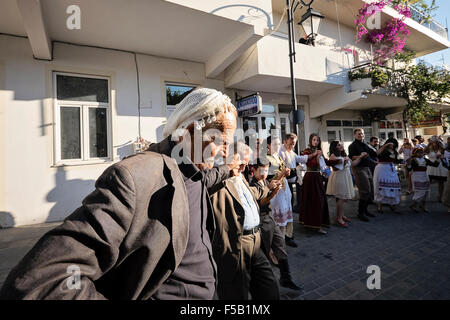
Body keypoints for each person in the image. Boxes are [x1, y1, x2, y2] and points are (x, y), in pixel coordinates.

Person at [0, 88, 243, 300]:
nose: (224, 151)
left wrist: (229, 170)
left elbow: (205, 179)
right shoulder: (138, 177)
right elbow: (42, 280)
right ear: (191, 131)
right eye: (219, 140)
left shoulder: (196, 171)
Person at [209, 141, 282, 300]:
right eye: (241, 163)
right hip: (237, 244)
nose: (244, 168)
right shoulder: (218, 177)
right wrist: (227, 168)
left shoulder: (240, 176)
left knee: (269, 289)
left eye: (246, 165)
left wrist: (268, 188)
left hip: (256, 241)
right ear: (231, 158)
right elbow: (204, 185)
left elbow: (250, 195)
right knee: (236, 294)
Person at [250, 159, 302, 290]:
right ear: (254, 170)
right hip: (261, 222)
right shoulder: (253, 183)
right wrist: (272, 192)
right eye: (261, 170)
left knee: (280, 246)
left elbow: (274, 182)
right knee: (264, 252)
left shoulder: (265, 181)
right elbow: (261, 203)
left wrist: (281, 177)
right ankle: (260, 283)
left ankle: (286, 277)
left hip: (270, 218)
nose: (264, 173)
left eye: (267, 170)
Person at [299, 134, 339, 235]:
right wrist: (317, 155)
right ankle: (314, 224)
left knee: (320, 200)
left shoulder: (319, 151)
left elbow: (326, 163)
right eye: (314, 140)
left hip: (317, 178)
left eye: (317, 140)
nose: (316, 142)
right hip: (310, 178)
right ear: (311, 140)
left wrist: (340, 160)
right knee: (312, 200)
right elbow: (310, 163)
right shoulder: (307, 151)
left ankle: (318, 223)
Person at [279, 133, 305, 246]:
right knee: (284, 209)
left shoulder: (290, 151)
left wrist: (310, 156)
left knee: (289, 207)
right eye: (290, 144)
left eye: (294, 144)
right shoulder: (281, 152)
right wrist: (295, 170)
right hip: (283, 184)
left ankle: (288, 234)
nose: (292, 146)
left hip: (290, 183)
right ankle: (284, 236)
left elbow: (298, 158)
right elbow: (284, 169)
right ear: (284, 142)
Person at [265, 136, 293, 238]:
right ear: (268, 145)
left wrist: (287, 172)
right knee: (278, 211)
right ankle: (278, 238)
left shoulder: (278, 156)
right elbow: (269, 177)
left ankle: (286, 236)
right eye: (274, 144)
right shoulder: (266, 158)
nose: (277, 146)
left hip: (284, 187)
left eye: (278, 144)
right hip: (275, 189)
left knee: (286, 209)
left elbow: (283, 170)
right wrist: (282, 174)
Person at [348, 128, 378, 222]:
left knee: (370, 190)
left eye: (362, 134)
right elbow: (351, 157)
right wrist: (361, 156)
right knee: (365, 190)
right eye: (359, 134)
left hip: (367, 168)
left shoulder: (365, 144)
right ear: (354, 135)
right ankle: (360, 213)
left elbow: (374, 153)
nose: (361, 135)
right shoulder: (352, 145)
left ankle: (365, 211)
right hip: (359, 169)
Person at [326, 141, 357, 228]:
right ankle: (339, 218)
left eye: (341, 144)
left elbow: (353, 163)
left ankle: (342, 215)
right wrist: (343, 161)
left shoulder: (344, 155)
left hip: (346, 177)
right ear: (334, 147)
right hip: (339, 177)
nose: (341, 146)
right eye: (338, 145)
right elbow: (335, 168)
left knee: (344, 198)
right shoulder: (333, 156)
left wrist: (361, 157)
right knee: (341, 198)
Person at [407, 147, 440, 212]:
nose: (421, 154)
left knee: (425, 191)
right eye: (419, 152)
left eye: (421, 152)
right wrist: (408, 164)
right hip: (416, 176)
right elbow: (409, 169)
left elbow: (435, 165)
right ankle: (414, 205)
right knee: (419, 191)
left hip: (424, 176)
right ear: (415, 153)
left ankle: (422, 206)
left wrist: (437, 158)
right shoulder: (413, 160)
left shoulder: (425, 159)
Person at [373, 142, 403, 213]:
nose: (392, 145)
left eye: (393, 144)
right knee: (381, 186)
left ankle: (393, 204)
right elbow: (376, 154)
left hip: (391, 169)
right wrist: (384, 146)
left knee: (393, 186)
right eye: (390, 144)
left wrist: (401, 161)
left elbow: (395, 160)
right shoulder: (382, 150)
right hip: (382, 168)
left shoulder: (394, 152)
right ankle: (379, 205)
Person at [425, 136, 447, 202]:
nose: (434, 143)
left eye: (436, 142)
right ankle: (424, 197)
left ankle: (440, 196)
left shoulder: (442, 149)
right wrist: (429, 143)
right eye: (433, 142)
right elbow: (424, 151)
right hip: (431, 167)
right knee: (428, 183)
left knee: (441, 182)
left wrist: (441, 156)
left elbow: (445, 155)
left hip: (440, 167)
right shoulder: (429, 149)